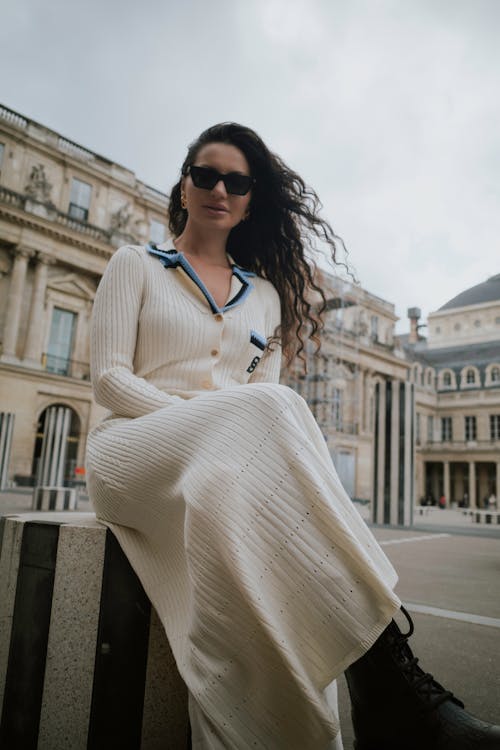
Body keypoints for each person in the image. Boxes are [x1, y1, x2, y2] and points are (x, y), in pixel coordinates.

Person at [86, 123, 500, 750]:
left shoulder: (267, 298)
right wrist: (202, 418)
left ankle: (343, 707)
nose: (219, 188)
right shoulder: (135, 265)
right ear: (184, 183)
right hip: (132, 450)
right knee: (269, 410)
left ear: (251, 199)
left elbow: (262, 405)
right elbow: (111, 380)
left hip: (224, 467)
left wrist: (227, 426)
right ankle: (388, 686)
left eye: (237, 181)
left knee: (269, 568)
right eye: (206, 174)